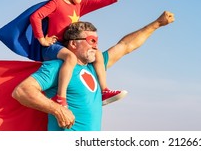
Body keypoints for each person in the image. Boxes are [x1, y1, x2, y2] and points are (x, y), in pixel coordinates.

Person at [12, 10, 175, 131]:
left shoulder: (96, 68)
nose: (95, 46)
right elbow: (22, 91)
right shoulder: (58, 66)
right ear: (73, 44)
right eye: (90, 41)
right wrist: (58, 109)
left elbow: (126, 46)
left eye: (96, 41)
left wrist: (157, 24)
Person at [29, 0, 135, 107]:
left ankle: (104, 90)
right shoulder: (56, 2)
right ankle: (60, 97)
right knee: (70, 57)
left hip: (69, 46)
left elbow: (100, 2)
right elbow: (36, 16)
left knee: (96, 54)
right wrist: (42, 39)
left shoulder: (79, 5)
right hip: (54, 47)